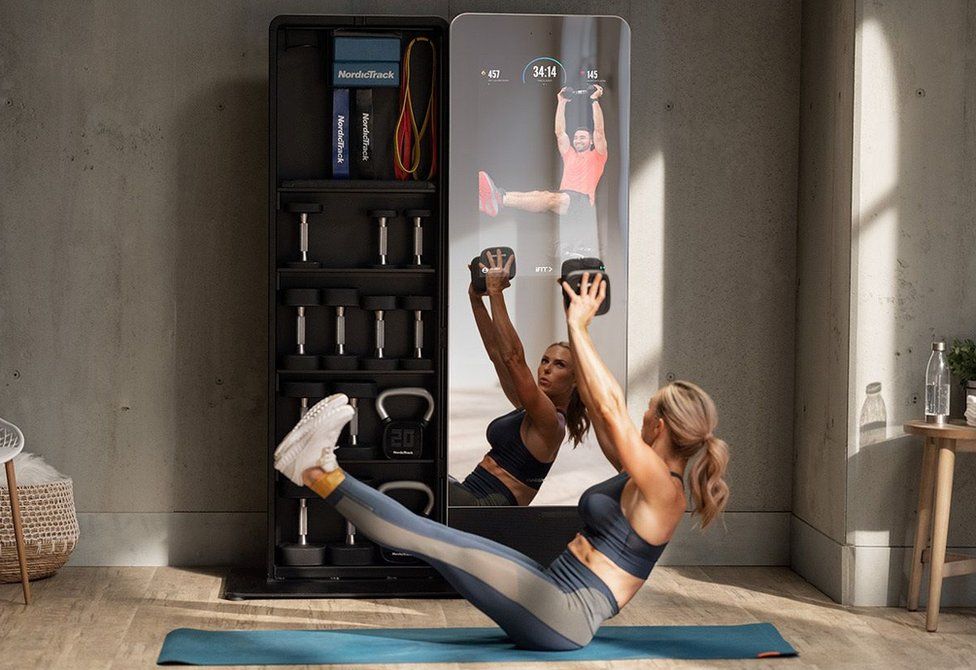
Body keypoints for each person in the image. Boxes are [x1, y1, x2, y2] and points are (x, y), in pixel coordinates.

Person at [273, 272, 730, 652]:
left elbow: (609, 409)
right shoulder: (641, 475)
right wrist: (569, 327)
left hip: (561, 614)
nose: (640, 416)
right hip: (551, 593)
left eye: (648, 410)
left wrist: (581, 327)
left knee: (433, 539)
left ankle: (317, 472)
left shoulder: (663, 487)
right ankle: (318, 470)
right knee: (440, 540)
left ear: (662, 426)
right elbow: (596, 403)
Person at [450, 249, 589, 506]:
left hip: (485, 507)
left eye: (559, 365)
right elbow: (497, 354)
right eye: (545, 360)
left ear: (575, 381)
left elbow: (514, 359)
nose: (546, 368)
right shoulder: (529, 408)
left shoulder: (551, 422)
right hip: (470, 493)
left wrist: (496, 293)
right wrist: (476, 299)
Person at [478, 84, 608, 258]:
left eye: (582, 137)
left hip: (582, 201)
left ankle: (500, 198)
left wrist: (594, 101)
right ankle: (499, 199)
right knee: (542, 194)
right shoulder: (570, 155)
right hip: (566, 197)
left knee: (548, 197)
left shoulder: (598, 155)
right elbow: (560, 132)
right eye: (576, 137)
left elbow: (599, 132)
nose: (577, 140)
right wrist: (561, 102)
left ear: (591, 141)